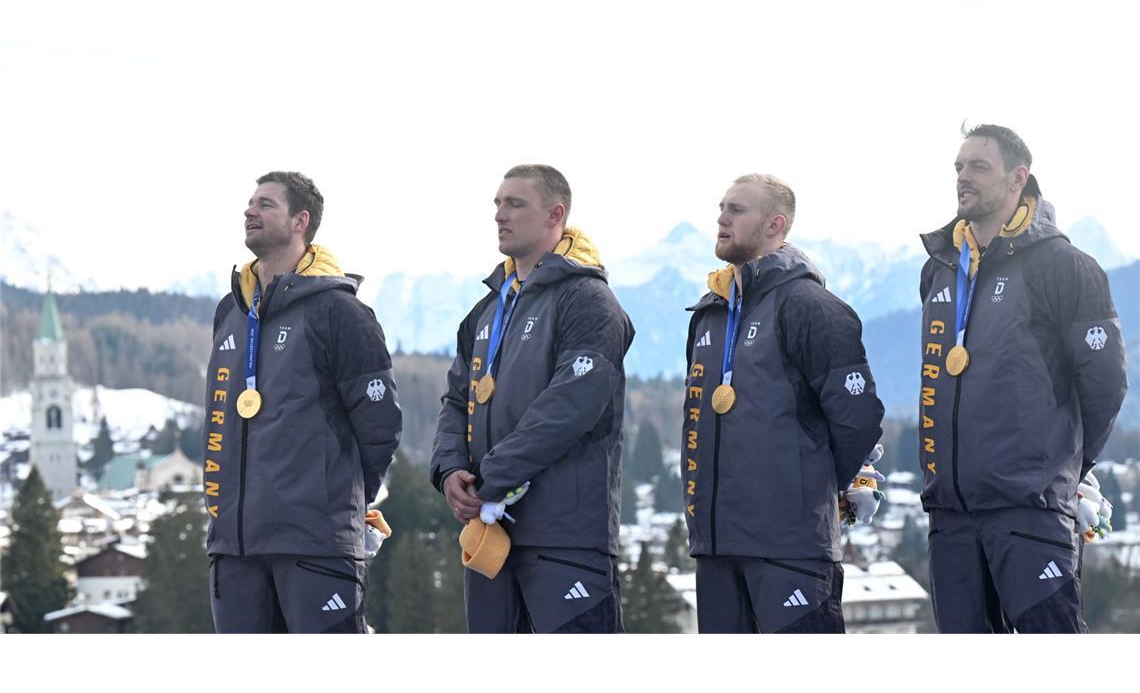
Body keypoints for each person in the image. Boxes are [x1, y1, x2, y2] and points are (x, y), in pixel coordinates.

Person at [918, 124, 1127, 632]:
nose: (963, 178)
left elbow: (1105, 385)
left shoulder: (1066, 266)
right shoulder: (940, 268)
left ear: (1019, 178)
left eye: (978, 167)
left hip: (1029, 511)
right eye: (959, 167)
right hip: (951, 516)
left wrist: (1063, 468)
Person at [430, 164, 634, 633]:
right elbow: (456, 401)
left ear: (554, 214)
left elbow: (569, 408)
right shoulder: (484, 312)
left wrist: (489, 477)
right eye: (498, 204)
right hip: (490, 535)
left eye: (515, 204)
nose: (500, 214)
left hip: (566, 536)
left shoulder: (587, 300)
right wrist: (449, 471)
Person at [682, 173, 884, 633]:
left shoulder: (811, 306)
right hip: (714, 548)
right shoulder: (708, 313)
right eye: (721, 207)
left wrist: (805, 490)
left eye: (736, 209)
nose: (721, 218)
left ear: (775, 224)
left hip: (790, 548)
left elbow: (859, 420)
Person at [203, 171, 401, 633]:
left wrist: (337, 501)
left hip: (316, 546)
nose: (250, 211)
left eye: (266, 204)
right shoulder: (230, 312)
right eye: (249, 203)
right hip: (234, 550)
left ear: (300, 221)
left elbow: (381, 427)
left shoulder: (340, 311)